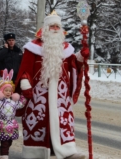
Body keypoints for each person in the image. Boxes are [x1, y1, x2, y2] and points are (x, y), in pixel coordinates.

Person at [15, 11, 89, 159]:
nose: (55, 29)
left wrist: (82, 55)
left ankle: (66, 151)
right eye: (52, 26)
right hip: (38, 94)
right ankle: (35, 152)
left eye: (57, 26)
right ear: (46, 28)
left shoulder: (66, 49)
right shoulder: (32, 47)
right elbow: (25, 69)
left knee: (62, 121)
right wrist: (25, 83)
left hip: (60, 95)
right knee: (39, 120)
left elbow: (73, 65)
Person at [0, 69, 26, 159]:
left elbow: (20, 105)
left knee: (9, 142)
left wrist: (23, 97)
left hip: (11, 125)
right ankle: (4, 156)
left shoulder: (12, 102)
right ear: (1, 91)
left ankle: (0, 151)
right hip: (2, 125)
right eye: (6, 90)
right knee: (5, 143)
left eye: (9, 91)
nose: (8, 92)